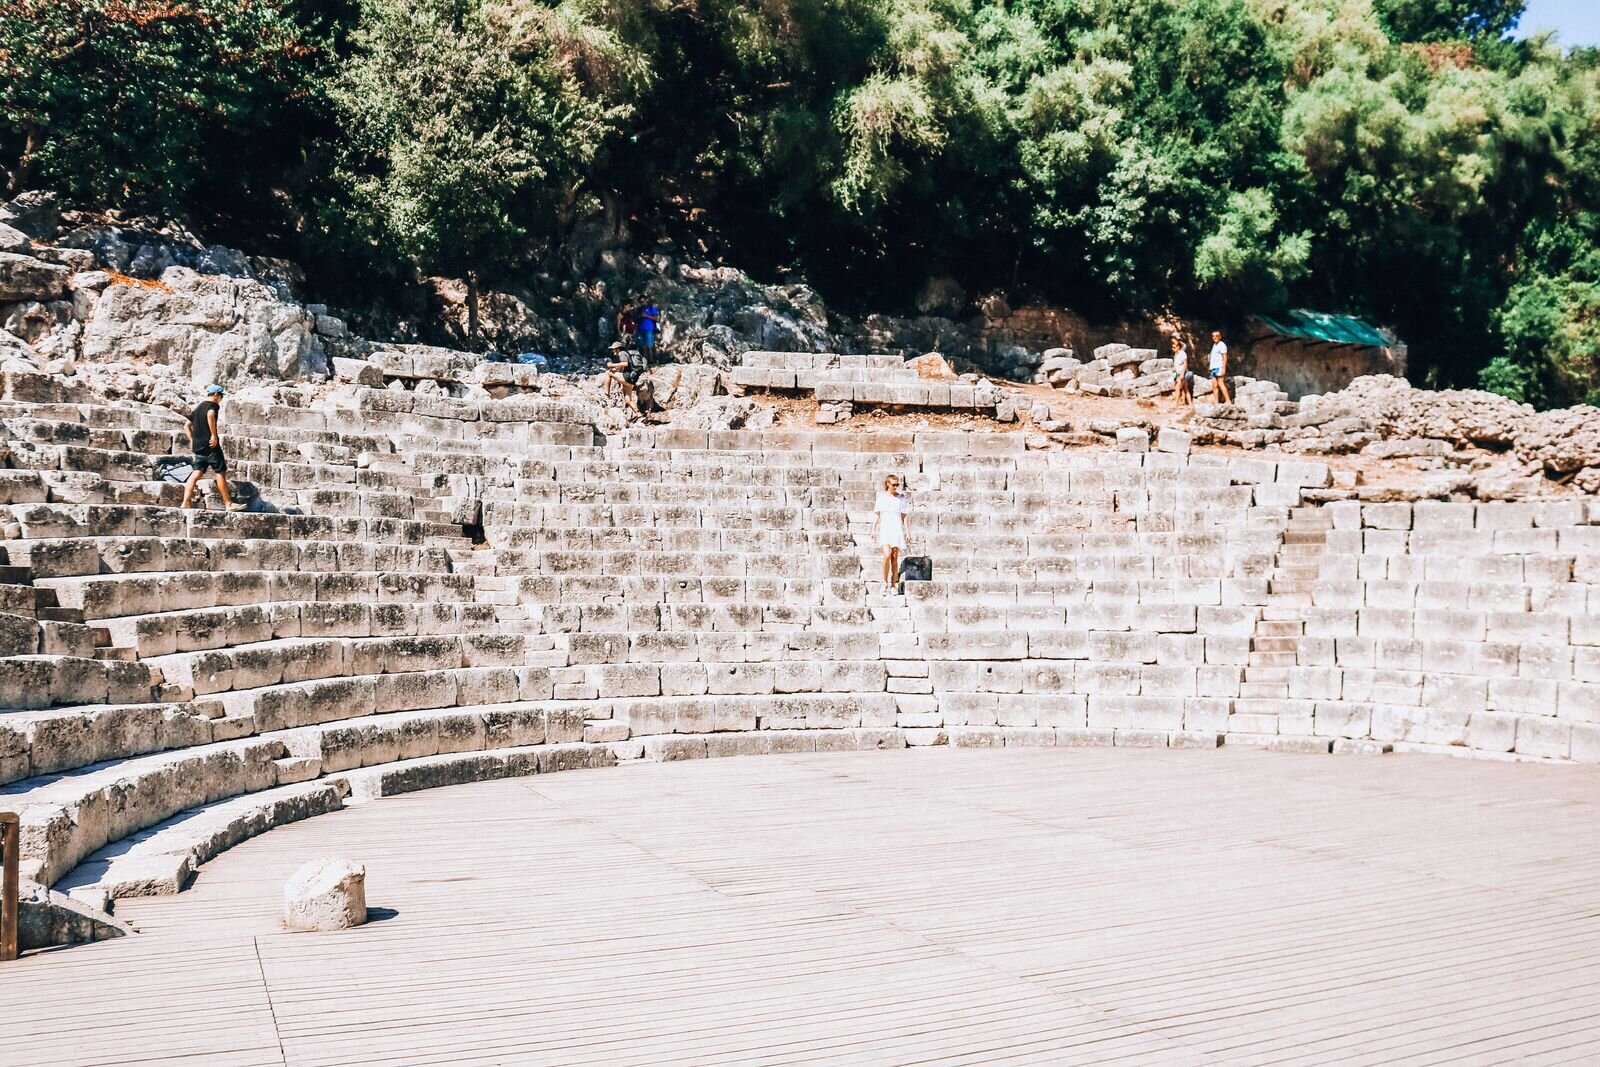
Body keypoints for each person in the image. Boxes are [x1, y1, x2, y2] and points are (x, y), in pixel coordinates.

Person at [182, 384, 247, 511]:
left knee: (196, 473)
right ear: (216, 395)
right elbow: (210, 415)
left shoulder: (198, 408)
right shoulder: (213, 405)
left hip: (199, 447)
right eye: (221, 396)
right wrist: (213, 435)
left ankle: (185, 502)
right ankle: (228, 503)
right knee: (220, 472)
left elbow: (186, 426)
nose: (221, 399)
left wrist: (193, 441)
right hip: (211, 446)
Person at [872, 474, 910, 585]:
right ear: (887, 484)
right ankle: (884, 581)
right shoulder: (881, 498)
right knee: (887, 554)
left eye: (897, 485)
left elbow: (904, 516)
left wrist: (907, 532)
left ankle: (893, 584)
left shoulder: (901, 498)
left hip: (896, 528)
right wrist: (873, 530)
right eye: (893, 485)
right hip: (885, 528)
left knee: (894, 557)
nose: (895, 487)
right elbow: (877, 514)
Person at [1208, 329, 1232, 405]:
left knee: (1221, 383)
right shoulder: (1214, 345)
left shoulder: (1222, 345)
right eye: (1213, 336)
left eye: (1216, 336)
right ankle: (1216, 401)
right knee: (1214, 385)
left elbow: (1225, 357)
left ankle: (1228, 400)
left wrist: (1223, 368)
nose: (1215, 337)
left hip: (1219, 367)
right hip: (1213, 368)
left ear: (1220, 337)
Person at [1171, 335, 1193, 406]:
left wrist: (1182, 374)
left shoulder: (1182, 353)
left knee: (1177, 388)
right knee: (1185, 389)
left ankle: (1176, 403)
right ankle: (1190, 404)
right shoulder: (1176, 355)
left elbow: (1185, 364)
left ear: (1178, 347)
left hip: (1182, 374)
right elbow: (1177, 365)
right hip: (1178, 374)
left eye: (1174, 347)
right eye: (1172, 347)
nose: (1173, 349)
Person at [637, 294, 661, 360]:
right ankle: (645, 361)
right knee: (643, 346)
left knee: (649, 346)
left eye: (643, 302)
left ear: (646, 301)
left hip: (649, 329)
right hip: (640, 329)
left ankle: (651, 360)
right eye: (640, 302)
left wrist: (646, 316)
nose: (641, 303)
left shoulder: (652, 308)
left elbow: (656, 318)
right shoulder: (639, 309)